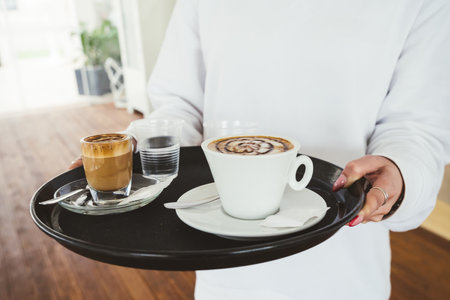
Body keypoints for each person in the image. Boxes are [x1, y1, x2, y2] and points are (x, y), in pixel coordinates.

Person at [71, 0, 450, 299]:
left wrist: (401, 168)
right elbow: (180, 104)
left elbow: (416, 124)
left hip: (343, 269)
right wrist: (145, 147)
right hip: (224, 262)